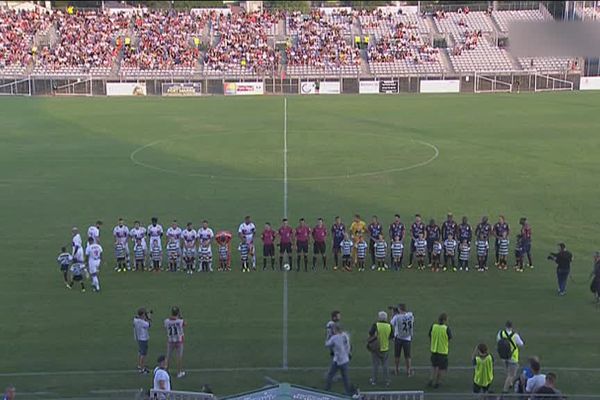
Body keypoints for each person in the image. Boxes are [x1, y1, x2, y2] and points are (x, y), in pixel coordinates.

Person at [496, 320, 524, 393]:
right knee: (511, 374)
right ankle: (505, 390)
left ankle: (510, 383)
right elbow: (521, 344)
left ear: (505, 326)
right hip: (513, 357)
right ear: (512, 327)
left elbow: (498, 341)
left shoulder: (500, 333)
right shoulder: (515, 335)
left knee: (507, 370)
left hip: (503, 356)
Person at [325, 324, 352, 395]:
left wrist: (328, 336)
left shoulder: (334, 338)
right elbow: (348, 346)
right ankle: (348, 391)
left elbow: (327, 344)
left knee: (330, 375)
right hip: (345, 359)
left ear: (335, 330)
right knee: (345, 377)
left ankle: (327, 390)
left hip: (337, 360)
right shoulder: (345, 335)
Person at [368, 311, 393, 386]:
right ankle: (387, 380)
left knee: (375, 365)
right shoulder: (389, 326)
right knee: (385, 365)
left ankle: (374, 380)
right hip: (385, 348)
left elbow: (370, 333)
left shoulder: (376, 325)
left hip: (376, 348)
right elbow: (391, 337)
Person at [429, 313, 452, 389]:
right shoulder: (446, 328)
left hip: (434, 349)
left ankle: (431, 379)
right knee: (441, 368)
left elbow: (430, 335)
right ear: (445, 320)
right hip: (442, 351)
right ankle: (437, 382)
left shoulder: (433, 326)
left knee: (434, 366)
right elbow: (449, 338)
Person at [390, 304, 414, 376]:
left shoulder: (397, 317)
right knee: (408, 356)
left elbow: (391, 324)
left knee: (397, 355)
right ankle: (408, 371)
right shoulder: (410, 315)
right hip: (407, 338)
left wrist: (393, 314)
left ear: (399, 309)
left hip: (398, 338)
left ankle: (396, 370)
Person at [164, 306, 185, 378]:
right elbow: (184, 324)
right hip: (179, 341)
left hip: (170, 340)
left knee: (168, 356)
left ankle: (166, 370)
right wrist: (180, 316)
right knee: (179, 357)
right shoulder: (180, 321)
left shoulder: (166, 321)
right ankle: (179, 372)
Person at [133, 308, 152, 374]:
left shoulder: (135, 320)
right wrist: (149, 318)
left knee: (140, 352)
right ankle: (142, 369)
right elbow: (149, 325)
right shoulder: (142, 322)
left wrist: (144, 317)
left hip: (138, 338)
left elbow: (139, 318)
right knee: (143, 354)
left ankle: (140, 365)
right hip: (143, 338)